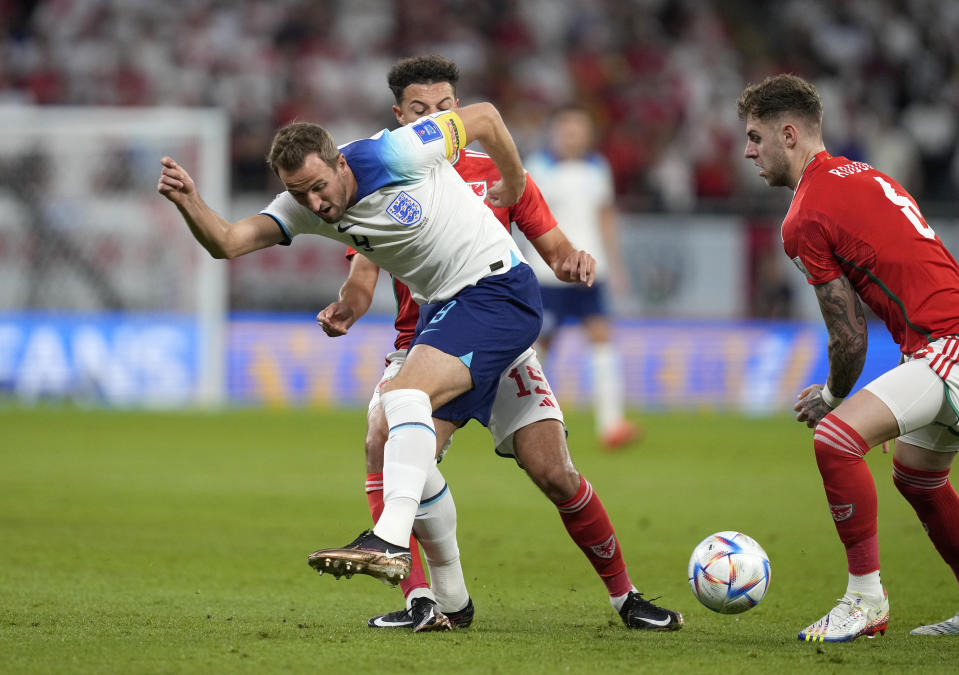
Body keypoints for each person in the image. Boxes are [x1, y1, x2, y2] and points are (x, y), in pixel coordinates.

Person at [314, 55, 683, 633]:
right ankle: (427, 600)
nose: (432, 118)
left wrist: (575, 261)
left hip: (498, 339)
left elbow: (556, 250)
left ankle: (626, 598)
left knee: (555, 472)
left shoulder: (500, 173)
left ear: (456, 110)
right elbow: (362, 279)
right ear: (398, 117)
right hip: (422, 347)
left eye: (443, 107)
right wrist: (347, 308)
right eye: (418, 111)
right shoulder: (380, 180)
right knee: (387, 444)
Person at [159, 100, 543, 604]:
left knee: (403, 397)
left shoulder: (397, 151)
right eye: (300, 192)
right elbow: (229, 242)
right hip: (447, 308)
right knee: (399, 441)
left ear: (341, 162)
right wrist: (191, 202)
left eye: (319, 187)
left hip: (497, 289)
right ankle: (450, 602)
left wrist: (513, 182)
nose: (314, 203)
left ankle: (389, 540)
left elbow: (489, 117)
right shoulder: (302, 205)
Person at [738, 73, 959, 642]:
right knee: (916, 476)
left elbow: (849, 336)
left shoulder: (806, 213)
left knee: (836, 439)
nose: (747, 151)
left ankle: (865, 601)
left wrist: (832, 397)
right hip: (938, 347)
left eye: (756, 137)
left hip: (949, 345)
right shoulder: (863, 174)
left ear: (789, 134)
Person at [516, 105, 639, 450]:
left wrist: (616, 266)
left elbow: (605, 217)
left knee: (602, 339)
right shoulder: (538, 167)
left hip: (589, 271)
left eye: (580, 129)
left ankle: (611, 425)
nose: (574, 135)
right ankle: (524, 421)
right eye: (568, 128)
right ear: (556, 131)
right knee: (538, 348)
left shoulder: (598, 168)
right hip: (548, 273)